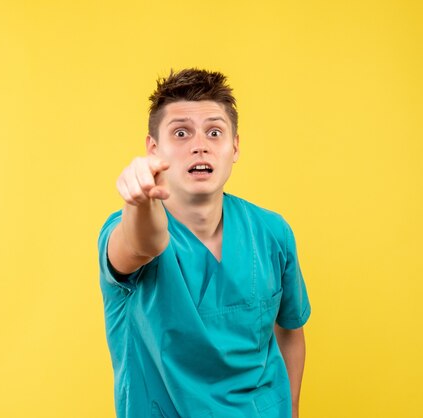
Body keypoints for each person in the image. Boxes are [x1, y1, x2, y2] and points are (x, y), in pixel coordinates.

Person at [97, 69, 311, 418]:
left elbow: (289, 330)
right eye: (181, 133)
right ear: (154, 149)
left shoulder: (272, 231)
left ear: (235, 147)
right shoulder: (126, 228)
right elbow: (143, 244)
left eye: (215, 132)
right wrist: (138, 201)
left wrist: (293, 411)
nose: (200, 145)